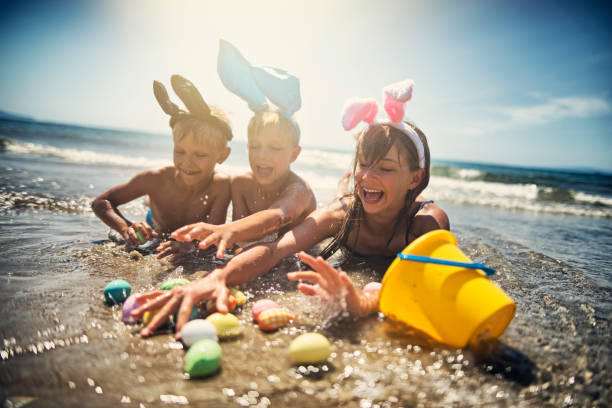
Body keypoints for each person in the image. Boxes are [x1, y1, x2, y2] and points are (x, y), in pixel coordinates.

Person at [132, 79, 449, 337]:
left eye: (386, 168)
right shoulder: (340, 214)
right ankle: (350, 179)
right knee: (350, 193)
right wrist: (218, 277)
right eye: (363, 163)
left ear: (415, 178)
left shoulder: (426, 223)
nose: (368, 176)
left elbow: (426, 286)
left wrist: (367, 302)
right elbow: (274, 250)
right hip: (349, 207)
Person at [170, 40, 316, 258]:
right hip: (260, 256)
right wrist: (192, 244)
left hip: (298, 260)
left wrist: (226, 230)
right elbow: (241, 242)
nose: (262, 154)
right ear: (247, 148)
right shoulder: (241, 185)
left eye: (275, 147)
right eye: (255, 146)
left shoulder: (298, 190)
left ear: (294, 154)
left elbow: (277, 215)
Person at [91, 75, 232, 260]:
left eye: (200, 155)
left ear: (222, 155)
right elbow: (101, 203)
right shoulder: (155, 179)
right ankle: (150, 204)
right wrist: (127, 228)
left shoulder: (220, 186)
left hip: (174, 225)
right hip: (158, 225)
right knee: (150, 213)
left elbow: (212, 238)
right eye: (180, 151)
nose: (187, 162)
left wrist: (191, 247)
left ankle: (150, 203)